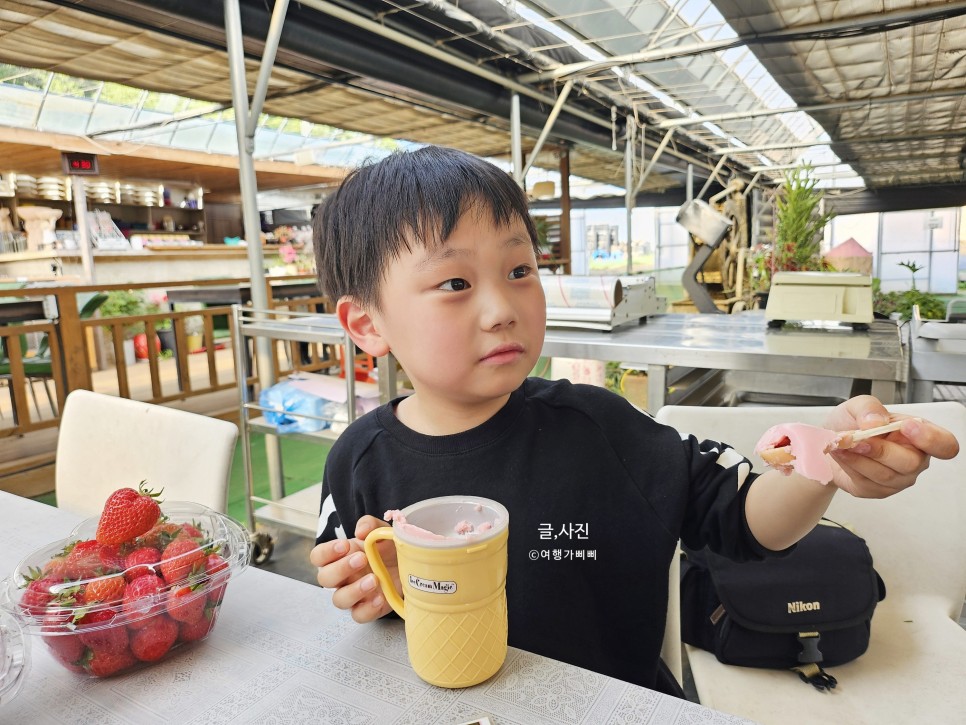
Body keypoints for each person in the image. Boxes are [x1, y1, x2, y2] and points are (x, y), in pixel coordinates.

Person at [308, 145, 959, 695]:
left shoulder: (602, 429)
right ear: (367, 323)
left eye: (519, 269)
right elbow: (354, 588)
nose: (502, 307)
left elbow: (746, 521)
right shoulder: (358, 460)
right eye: (455, 283)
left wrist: (824, 459)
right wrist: (362, 587)